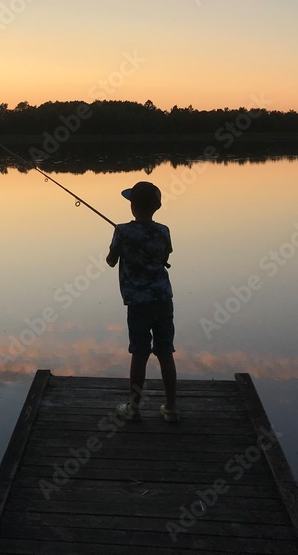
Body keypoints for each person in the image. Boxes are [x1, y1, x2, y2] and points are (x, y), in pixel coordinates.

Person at [105, 180, 179, 423]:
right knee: (166, 352)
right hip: (163, 299)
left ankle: (134, 408)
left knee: (139, 354)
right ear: (156, 207)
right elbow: (166, 254)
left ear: (133, 207)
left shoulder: (123, 231)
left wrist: (119, 240)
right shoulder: (164, 230)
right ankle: (170, 408)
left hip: (138, 304)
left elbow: (111, 260)